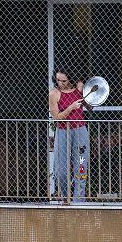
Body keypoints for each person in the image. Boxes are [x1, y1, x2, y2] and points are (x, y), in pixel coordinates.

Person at [48, 69, 91, 202]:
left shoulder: (79, 87)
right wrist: (71, 107)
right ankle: (67, 198)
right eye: (58, 80)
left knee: (81, 166)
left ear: (70, 79)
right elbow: (57, 118)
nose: (60, 83)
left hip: (80, 130)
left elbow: (90, 107)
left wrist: (86, 95)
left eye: (64, 81)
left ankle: (79, 201)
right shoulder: (54, 94)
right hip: (62, 131)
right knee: (60, 171)